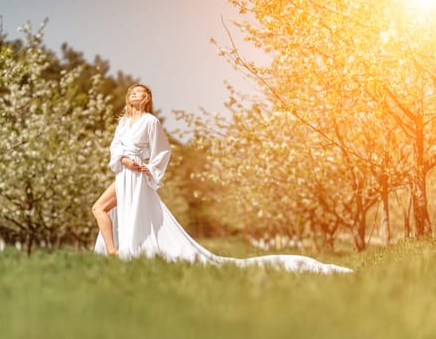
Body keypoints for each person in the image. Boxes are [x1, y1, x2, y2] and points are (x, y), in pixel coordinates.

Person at [92, 84, 352, 274]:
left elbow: (163, 149)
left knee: (113, 210)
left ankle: (117, 254)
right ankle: (113, 251)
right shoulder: (123, 122)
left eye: (139, 92)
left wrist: (148, 167)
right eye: (131, 92)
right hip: (123, 172)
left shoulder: (151, 122)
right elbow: (115, 147)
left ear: (147, 97)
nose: (134, 94)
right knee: (100, 208)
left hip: (136, 176)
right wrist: (123, 158)